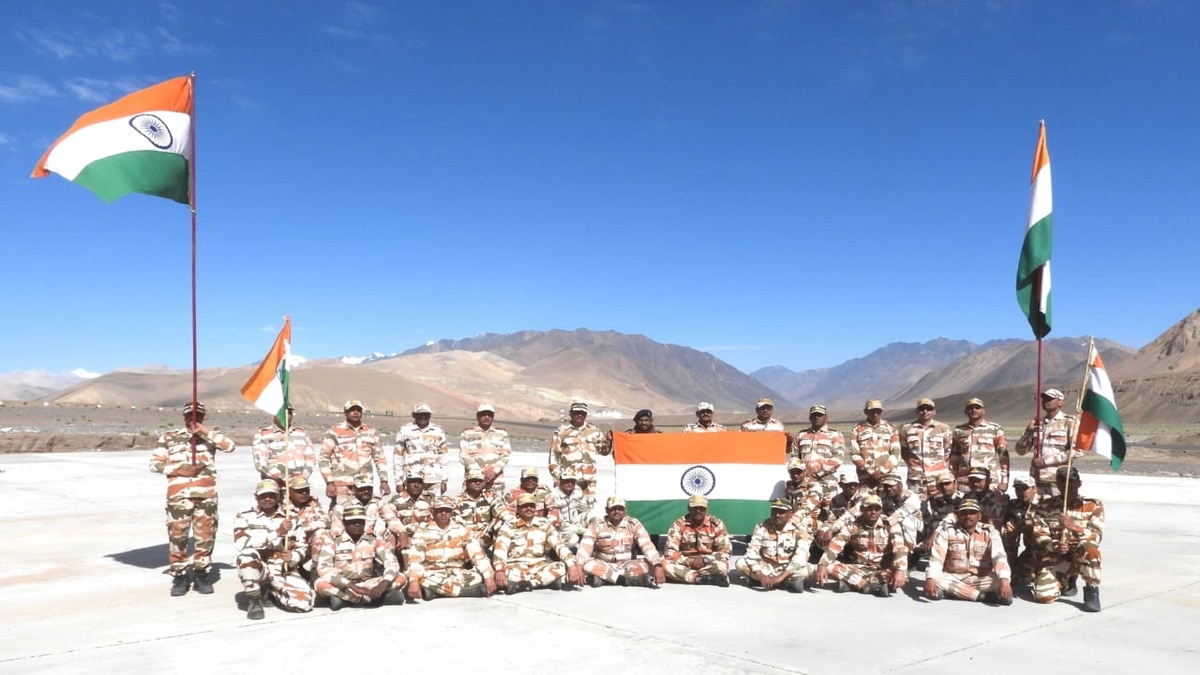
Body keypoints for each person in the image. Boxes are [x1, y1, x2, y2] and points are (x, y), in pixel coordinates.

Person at [148, 401, 237, 596]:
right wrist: (178, 470)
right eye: (189, 416)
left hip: (206, 497)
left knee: (205, 537)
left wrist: (205, 432)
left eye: (197, 416)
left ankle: (201, 574)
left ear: (203, 418)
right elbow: (155, 464)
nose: (193, 419)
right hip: (179, 498)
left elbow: (230, 447)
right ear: (184, 417)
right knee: (177, 537)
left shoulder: (210, 437)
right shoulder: (170, 437)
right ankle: (180, 576)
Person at [233, 480, 314, 619]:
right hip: (260, 565)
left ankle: (273, 591)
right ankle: (255, 600)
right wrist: (277, 532)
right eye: (263, 496)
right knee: (246, 556)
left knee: (303, 605)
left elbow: (302, 546)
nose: (267, 499)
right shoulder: (244, 516)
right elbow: (242, 544)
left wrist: (294, 556)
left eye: (271, 495)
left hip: (282, 567)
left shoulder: (291, 517)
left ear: (278, 497)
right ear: (256, 497)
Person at [1029, 467, 1104, 612]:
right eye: (1062, 482)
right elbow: (1039, 533)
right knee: (1042, 596)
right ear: (1057, 484)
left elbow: (1096, 535)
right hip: (1058, 556)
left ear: (1079, 483)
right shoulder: (1046, 506)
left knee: (1090, 547)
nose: (1067, 486)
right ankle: (1066, 580)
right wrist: (1053, 545)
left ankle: (1091, 589)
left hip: (1080, 554)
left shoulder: (1093, 506)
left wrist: (1073, 527)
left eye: (1071, 481)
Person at [314, 504, 407, 610]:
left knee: (401, 577)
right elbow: (323, 568)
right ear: (344, 523)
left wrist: (384, 584)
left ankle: (346, 600)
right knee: (320, 584)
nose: (357, 525)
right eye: (353, 522)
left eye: (360, 521)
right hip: (344, 585)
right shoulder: (332, 541)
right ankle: (375, 599)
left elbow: (392, 562)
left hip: (368, 584)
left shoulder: (374, 540)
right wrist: (352, 586)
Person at [924, 498, 1013, 605]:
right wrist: (930, 579)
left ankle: (956, 594)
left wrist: (1004, 580)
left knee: (1001, 581)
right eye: (964, 513)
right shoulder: (947, 532)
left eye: (972, 513)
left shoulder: (990, 532)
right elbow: (936, 558)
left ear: (979, 516)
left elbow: (999, 557)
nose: (968, 516)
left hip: (981, 579)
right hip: (955, 577)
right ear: (958, 515)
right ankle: (982, 596)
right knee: (935, 579)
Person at [816, 494, 908, 597]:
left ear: (881, 510)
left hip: (882, 569)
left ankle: (852, 584)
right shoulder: (853, 525)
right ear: (862, 510)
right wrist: (822, 564)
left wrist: (900, 570)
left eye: (877, 509)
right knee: (828, 566)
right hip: (858, 568)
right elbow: (836, 545)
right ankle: (869, 585)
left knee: (901, 572)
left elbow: (900, 549)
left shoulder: (891, 525)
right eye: (869, 508)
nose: (873, 512)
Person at [406, 497, 496, 600]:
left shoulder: (461, 529)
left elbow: (477, 554)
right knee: (420, 579)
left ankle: (437, 592)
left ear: (452, 512)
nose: (443, 513)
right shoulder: (423, 530)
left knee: (479, 575)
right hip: (433, 574)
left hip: (457, 573)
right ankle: (466, 592)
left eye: (447, 511)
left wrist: (488, 578)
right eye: (440, 510)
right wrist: (414, 581)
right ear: (433, 511)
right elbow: (415, 557)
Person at [492, 493, 584, 594]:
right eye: (524, 506)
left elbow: (559, 545)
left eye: (531, 506)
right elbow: (500, 548)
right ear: (518, 509)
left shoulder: (544, 524)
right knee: (500, 573)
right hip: (516, 567)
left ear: (535, 508)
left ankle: (526, 584)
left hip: (539, 566)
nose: (528, 509)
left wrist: (572, 565)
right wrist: (500, 570)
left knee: (561, 567)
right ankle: (546, 582)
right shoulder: (509, 525)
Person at [578, 496, 665, 588]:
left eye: (620, 509)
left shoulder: (634, 524)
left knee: (650, 564)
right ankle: (627, 580)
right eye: (613, 509)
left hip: (628, 564)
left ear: (625, 510)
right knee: (586, 564)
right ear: (606, 510)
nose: (617, 512)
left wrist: (657, 565)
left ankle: (605, 578)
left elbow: (647, 545)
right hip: (604, 564)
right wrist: (579, 566)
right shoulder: (596, 525)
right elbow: (585, 547)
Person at [319, 400, 389, 507]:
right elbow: (323, 459)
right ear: (345, 413)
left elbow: (379, 458)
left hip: (365, 485)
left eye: (358, 410)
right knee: (340, 514)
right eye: (352, 410)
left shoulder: (370, 432)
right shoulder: (334, 432)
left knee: (363, 516)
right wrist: (329, 482)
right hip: (342, 484)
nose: (355, 413)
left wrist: (384, 480)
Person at [1015, 388, 1081, 497]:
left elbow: (1077, 452)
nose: (1046, 401)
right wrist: (1028, 432)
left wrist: (1046, 461)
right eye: (1044, 398)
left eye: (1050, 399)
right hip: (1036, 480)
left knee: (1055, 511)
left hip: (1057, 481)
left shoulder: (1069, 422)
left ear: (1060, 402)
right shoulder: (1037, 423)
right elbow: (1020, 451)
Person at [735, 499, 811, 592]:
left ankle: (762, 581)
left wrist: (781, 576)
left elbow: (802, 555)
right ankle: (785, 583)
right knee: (740, 563)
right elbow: (752, 550)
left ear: (790, 514)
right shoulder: (762, 526)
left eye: (781, 512)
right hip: (767, 568)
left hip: (787, 568)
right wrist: (759, 574)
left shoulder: (800, 528)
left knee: (808, 569)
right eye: (774, 511)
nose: (777, 515)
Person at [663, 495, 732, 586]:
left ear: (706, 509)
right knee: (663, 564)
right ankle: (702, 578)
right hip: (685, 562)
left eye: (701, 508)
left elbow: (725, 551)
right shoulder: (678, 525)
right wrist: (690, 562)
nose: (698, 511)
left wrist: (705, 560)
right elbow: (670, 552)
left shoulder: (716, 524)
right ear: (689, 508)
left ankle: (687, 576)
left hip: (707, 563)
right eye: (695, 508)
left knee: (722, 566)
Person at [548, 401, 611, 497]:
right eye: (577, 413)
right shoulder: (562, 432)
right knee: (567, 509)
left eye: (583, 413)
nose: (580, 415)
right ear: (571, 414)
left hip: (589, 481)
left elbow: (604, 451)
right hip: (568, 480)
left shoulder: (594, 431)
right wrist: (557, 477)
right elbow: (554, 456)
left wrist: (608, 441)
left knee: (588, 509)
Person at [951, 398, 1010, 493]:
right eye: (970, 408)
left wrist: (1004, 481)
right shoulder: (959, 431)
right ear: (965, 411)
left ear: (983, 411)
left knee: (988, 507)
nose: (974, 410)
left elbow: (1003, 457)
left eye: (977, 407)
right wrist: (952, 480)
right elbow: (954, 458)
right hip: (964, 481)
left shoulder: (994, 429)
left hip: (988, 481)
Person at [250, 406, 316, 487]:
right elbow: (261, 464)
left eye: (289, 413)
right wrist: (284, 479)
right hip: (276, 486)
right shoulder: (263, 435)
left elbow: (310, 458)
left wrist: (302, 478)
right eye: (282, 413)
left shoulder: (301, 433)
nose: (286, 415)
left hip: (299, 486)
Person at [899, 398, 953, 498]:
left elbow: (948, 450)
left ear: (934, 412)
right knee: (917, 507)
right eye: (921, 409)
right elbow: (904, 451)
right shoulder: (907, 429)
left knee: (940, 507)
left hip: (938, 478)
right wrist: (913, 465)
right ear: (917, 412)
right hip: (916, 479)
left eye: (928, 409)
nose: (925, 412)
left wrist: (938, 465)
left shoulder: (943, 428)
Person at [791, 404, 846, 501]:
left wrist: (818, 474)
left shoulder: (835, 435)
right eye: (814, 415)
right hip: (805, 482)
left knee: (827, 511)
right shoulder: (802, 435)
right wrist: (801, 475)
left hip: (827, 482)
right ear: (809, 417)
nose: (817, 417)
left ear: (826, 417)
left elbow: (838, 458)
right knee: (804, 510)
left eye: (820, 415)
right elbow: (795, 457)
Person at [395, 402, 450, 495]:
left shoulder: (438, 431)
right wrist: (398, 481)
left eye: (426, 415)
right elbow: (398, 456)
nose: (423, 417)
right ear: (414, 415)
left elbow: (443, 456)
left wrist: (444, 480)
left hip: (433, 479)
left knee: (433, 507)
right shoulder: (405, 430)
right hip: (412, 479)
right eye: (420, 414)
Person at [458, 403, 512, 492]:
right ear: (478, 416)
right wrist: (478, 473)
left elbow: (506, 455)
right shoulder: (467, 433)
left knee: (496, 505)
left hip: (495, 481)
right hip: (473, 481)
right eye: (483, 414)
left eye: (489, 415)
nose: (487, 417)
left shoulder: (501, 434)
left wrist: (494, 471)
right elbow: (463, 455)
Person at [282, 475, 329, 579]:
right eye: (299, 491)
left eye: (306, 490)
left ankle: (316, 571)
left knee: (322, 534)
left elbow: (325, 521)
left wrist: (303, 528)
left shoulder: (312, 503)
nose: (304, 493)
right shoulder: (282, 505)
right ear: (290, 492)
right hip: (289, 543)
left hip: (306, 543)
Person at [849, 399, 902, 489]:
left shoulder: (891, 428)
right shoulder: (857, 430)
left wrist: (882, 471)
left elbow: (896, 452)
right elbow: (854, 454)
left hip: (888, 477)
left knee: (887, 502)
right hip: (866, 477)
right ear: (866, 412)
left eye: (878, 411)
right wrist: (871, 471)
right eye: (872, 411)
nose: (875, 414)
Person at [452, 467, 506, 551]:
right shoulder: (457, 500)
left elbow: (502, 511)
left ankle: (498, 555)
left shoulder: (491, 497)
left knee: (502, 522)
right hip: (465, 540)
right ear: (467, 483)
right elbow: (456, 522)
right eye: (474, 480)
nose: (477, 483)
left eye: (480, 481)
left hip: (486, 538)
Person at [381, 470, 432, 554]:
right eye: (412, 482)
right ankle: (391, 561)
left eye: (419, 482)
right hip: (403, 536)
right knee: (389, 533)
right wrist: (401, 532)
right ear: (406, 484)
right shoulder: (396, 500)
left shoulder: (430, 499)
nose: (416, 485)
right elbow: (390, 522)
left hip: (424, 535)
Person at [1002, 474, 1039, 585]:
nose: (1021, 492)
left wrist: (1027, 527)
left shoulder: (1045, 504)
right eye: (1018, 489)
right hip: (1030, 551)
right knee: (1008, 531)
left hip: (1045, 548)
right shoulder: (1014, 505)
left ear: (1034, 489)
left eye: (1024, 489)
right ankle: (1010, 565)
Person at [547, 468, 593, 551]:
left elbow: (584, 509)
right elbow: (557, 522)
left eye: (572, 481)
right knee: (573, 539)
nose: (570, 484)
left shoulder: (577, 490)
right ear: (560, 481)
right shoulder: (552, 495)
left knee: (594, 514)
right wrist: (581, 530)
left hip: (575, 521)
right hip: (560, 528)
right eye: (566, 481)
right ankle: (557, 552)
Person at [329, 474, 386, 539]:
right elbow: (336, 531)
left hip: (372, 538)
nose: (366, 491)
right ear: (353, 489)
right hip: (347, 540)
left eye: (369, 489)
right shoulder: (342, 506)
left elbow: (392, 519)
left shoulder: (378, 503)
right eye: (362, 489)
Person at [879, 473, 923, 554]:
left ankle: (911, 550)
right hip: (893, 523)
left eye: (892, 486)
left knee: (906, 521)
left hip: (916, 527)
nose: (888, 489)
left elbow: (898, 516)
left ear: (900, 485)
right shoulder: (884, 496)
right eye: (886, 486)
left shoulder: (911, 497)